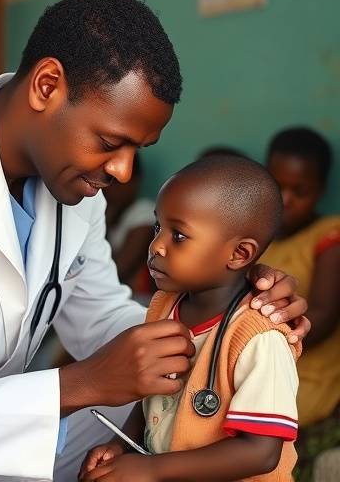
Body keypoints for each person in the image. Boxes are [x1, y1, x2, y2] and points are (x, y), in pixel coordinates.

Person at [0, 0, 308, 482]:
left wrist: (230, 312)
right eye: (109, 142)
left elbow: (99, 316)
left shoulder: (74, 188)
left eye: (136, 150)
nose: (122, 171)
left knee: (158, 407)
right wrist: (82, 383)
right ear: (47, 85)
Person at [80, 155, 300, 482]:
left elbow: (261, 453)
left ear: (239, 254)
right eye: (158, 227)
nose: (157, 246)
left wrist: (153, 470)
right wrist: (120, 445)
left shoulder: (259, 336)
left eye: (178, 236)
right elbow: (152, 401)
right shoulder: (164, 306)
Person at [259, 127, 340, 482]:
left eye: (300, 191)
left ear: (321, 191)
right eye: (278, 186)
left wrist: (266, 341)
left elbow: (323, 314)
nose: (286, 199)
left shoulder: (329, 235)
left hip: (308, 384)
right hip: (259, 378)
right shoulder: (257, 241)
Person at [104, 154, 156, 303]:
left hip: (141, 300)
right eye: (107, 181)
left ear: (135, 182)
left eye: (116, 183)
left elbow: (119, 270)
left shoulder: (144, 213)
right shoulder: (109, 213)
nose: (108, 189)